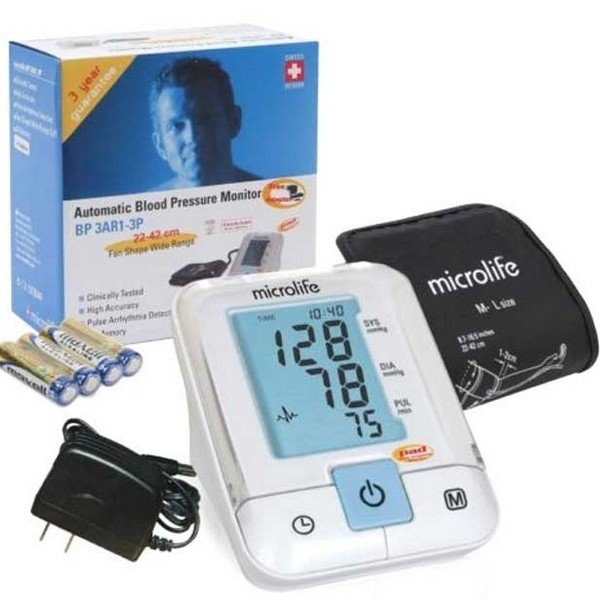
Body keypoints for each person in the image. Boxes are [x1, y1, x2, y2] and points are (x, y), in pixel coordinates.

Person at [149, 58, 259, 190]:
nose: (192, 137)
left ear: (234, 121)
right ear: (160, 145)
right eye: (177, 126)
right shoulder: (145, 203)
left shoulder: (270, 196)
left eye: (206, 118)